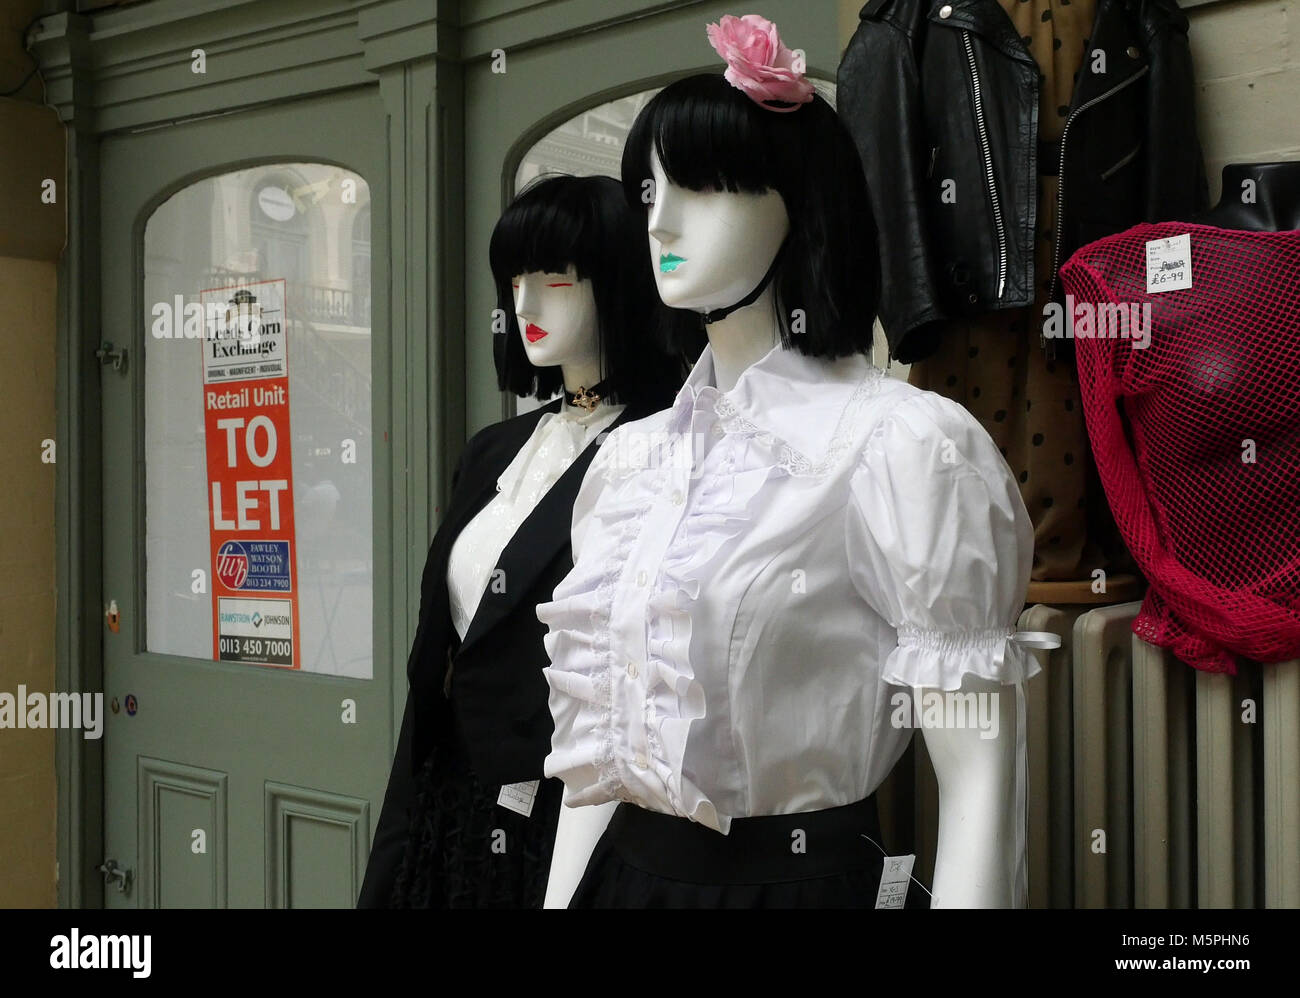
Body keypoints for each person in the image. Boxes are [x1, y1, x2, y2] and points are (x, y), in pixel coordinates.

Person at [538, 14, 1046, 908]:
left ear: (799, 202)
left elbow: (979, 783)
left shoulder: (903, 448)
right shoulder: (629, 465)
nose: (662, 219)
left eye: (700, 185)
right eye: (649, 190)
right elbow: (600, 770)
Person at [357, 174, 691, 907]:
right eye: (515, 281)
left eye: (555, 280)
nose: (527, 305)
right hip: (448, 804)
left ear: (617, 283)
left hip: (566, 813)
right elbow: (442, 657)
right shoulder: (493, 451)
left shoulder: (666, 448)